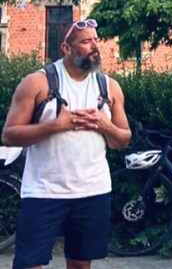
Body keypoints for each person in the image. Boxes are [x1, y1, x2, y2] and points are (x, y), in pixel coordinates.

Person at [2, 19, 131, 269]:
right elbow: (9, 135)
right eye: (86, 41)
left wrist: (104, 126)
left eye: (96, 40)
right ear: (66, 48)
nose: (95, 47)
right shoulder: (38, 83)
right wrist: (56, 126)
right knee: (28, 264)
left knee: (81, 265)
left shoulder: (109, 87)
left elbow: (123, 140)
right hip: (44, 192)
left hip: (92, 191)